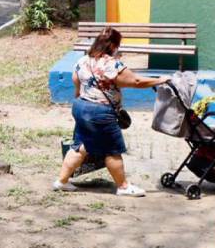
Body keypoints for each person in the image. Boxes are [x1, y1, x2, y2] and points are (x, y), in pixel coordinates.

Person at [53, 27, 168, 197]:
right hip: (101, 113)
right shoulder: (111, 64)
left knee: (79, 146)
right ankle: (123, 186)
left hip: (80, 107)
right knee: (112, 150)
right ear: (113, 45)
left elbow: (76, 81)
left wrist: (81, 100)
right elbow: (135, 81)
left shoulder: (83, 60)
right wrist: (159, 80)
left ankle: (61, 181)